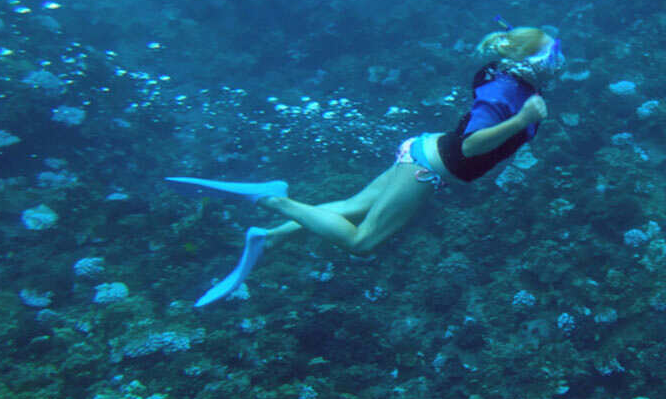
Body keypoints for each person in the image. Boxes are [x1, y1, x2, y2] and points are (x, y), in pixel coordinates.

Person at [167, 24, 563, 306]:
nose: (559, 59)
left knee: (350, 207)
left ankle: (268, 236)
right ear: (530, 59)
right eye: (552, 52)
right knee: (362, 242)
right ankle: (275, 201)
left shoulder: (513, 81)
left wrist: (524, 112)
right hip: (428, 167)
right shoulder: (506, 89)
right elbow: (474, 145)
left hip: (421, 151)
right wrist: (521, 120)